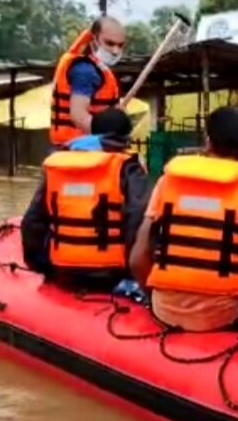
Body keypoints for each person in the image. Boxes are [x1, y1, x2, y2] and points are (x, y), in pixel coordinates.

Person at [129, 105, 238, 332]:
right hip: (227, 315)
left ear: (207, 141)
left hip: (163, 308)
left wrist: (152, 295)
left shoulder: (169, 180)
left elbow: (138, 258)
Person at [22, 108, 150, 288]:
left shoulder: (59, 165)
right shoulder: (128, 166)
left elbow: (32, 222)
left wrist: (40, 264)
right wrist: (133, 270)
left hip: (62, 271)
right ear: (125, 136)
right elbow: (137, 219)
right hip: (111, 273)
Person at [49, 16, 126, 147]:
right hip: (76, 149)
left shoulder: (100, 69)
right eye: (109, 43)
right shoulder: (85, 71)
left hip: (88, 146)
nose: (115, 51)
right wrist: (109, 136)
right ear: (94, 39)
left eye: (120, 45)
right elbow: (78, 115)